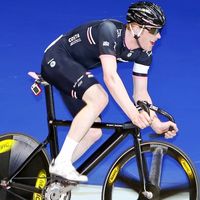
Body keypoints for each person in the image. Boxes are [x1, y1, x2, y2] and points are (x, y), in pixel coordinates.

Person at [41, 1, 178, 182]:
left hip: (76, 69)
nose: (158, 36)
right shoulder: (109, 30)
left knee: (93, 132)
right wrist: (133, 114)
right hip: (57, 57)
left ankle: (51, 175)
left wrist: (156, 124)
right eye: (153, 30)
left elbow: (141, 94)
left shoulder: (144, 53)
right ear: (136, 28)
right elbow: (110, 78)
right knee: (99, 98)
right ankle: (63, 163)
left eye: (159, 30)